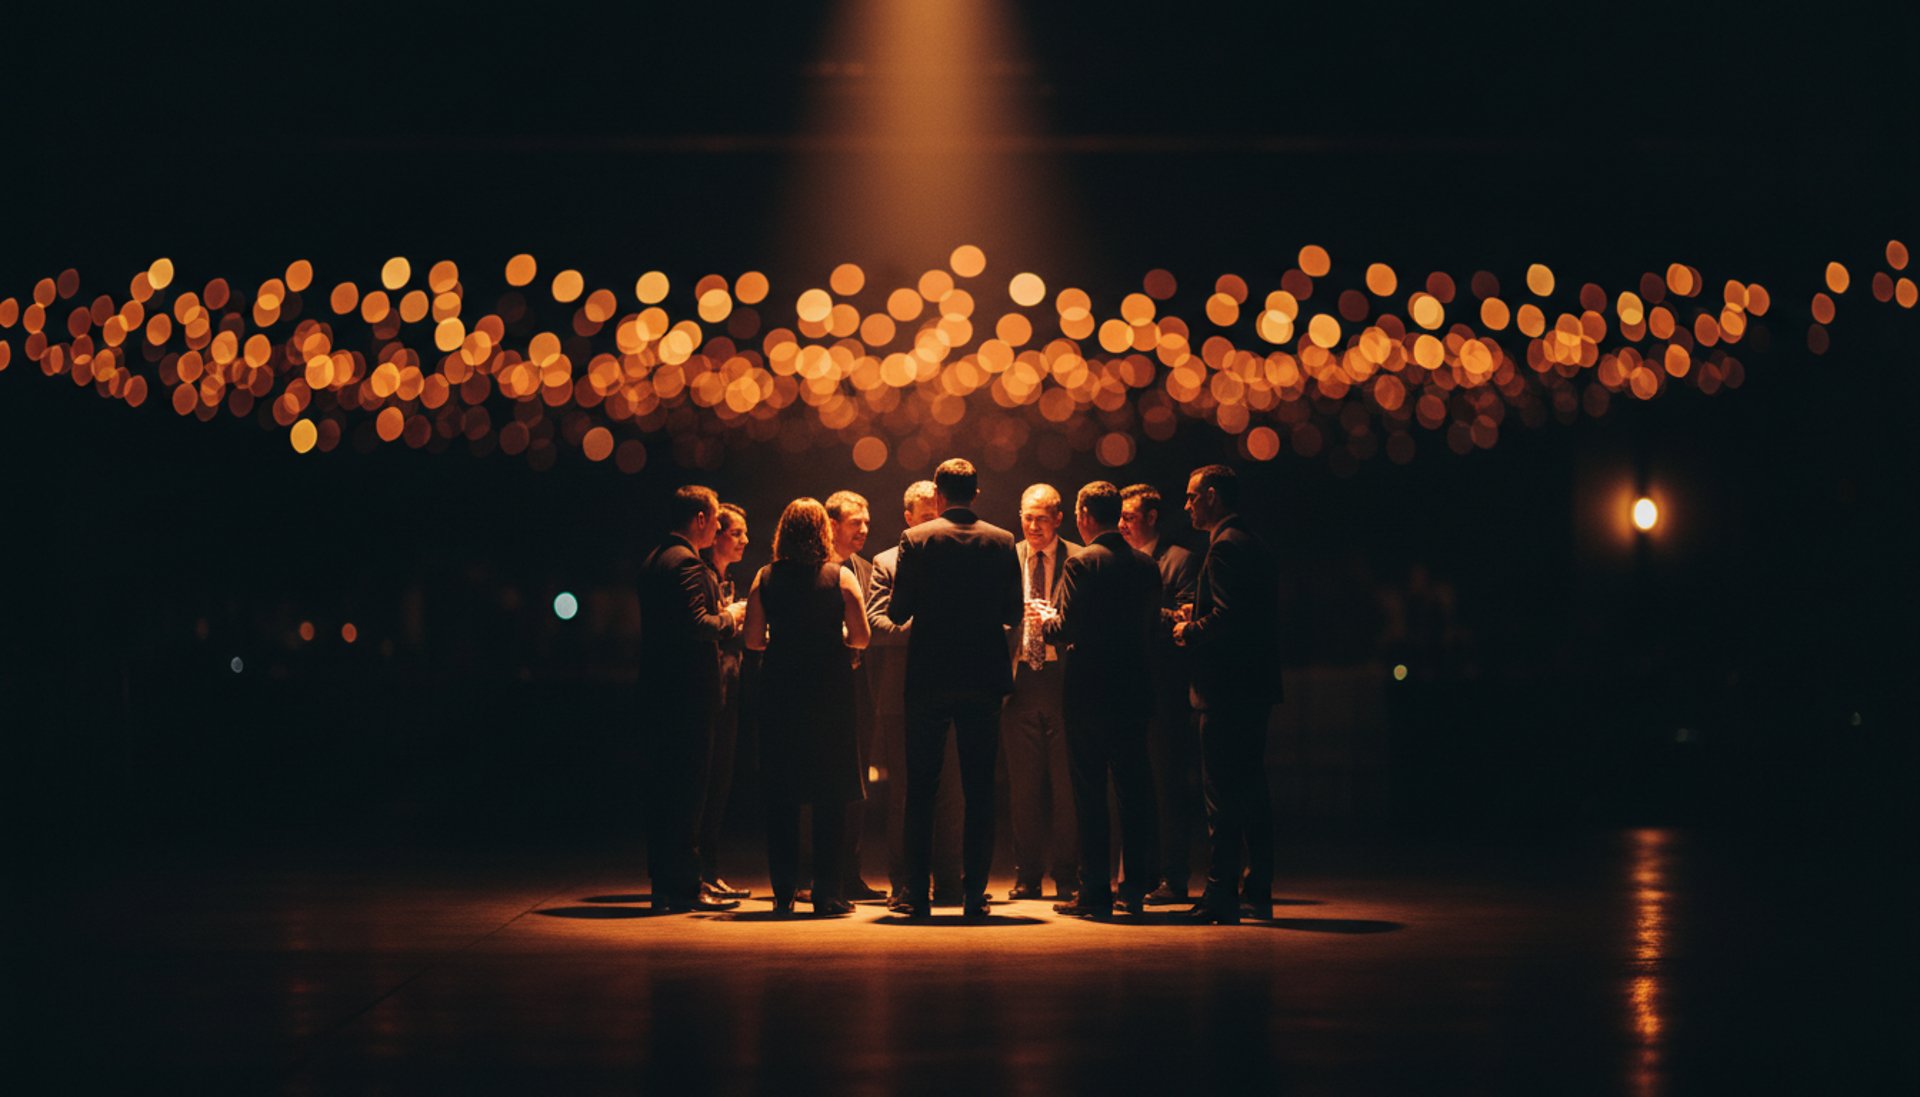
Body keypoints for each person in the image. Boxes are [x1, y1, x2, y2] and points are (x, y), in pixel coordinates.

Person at [887, 458, 1023, 920]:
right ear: (976, 494)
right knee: (980, 788)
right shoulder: (1003, 541)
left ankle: (916, 895)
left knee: (921, 788)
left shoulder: (916, 539)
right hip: (982, 675)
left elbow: (900, 612)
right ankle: (973, 894)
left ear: (939, 496)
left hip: (929, 675)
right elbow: (1012, 610)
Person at [744, 498, 871, 917]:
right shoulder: (840, 577)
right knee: (830, 792)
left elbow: (753, 640)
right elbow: (861, 637)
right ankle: (827, 893)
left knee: (782, 793)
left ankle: (782, 892)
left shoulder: (765, 577)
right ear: (823, 532)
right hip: (829, 691)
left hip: (781, 691)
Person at [1043, 482, 1162, 918]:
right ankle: (1133, 889)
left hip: (1088, 692)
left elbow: (1067, 629)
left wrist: (1046, 622)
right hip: (1133, 689)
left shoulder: (1081, 564)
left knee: (1090, 793)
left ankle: (1094, 891)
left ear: (1085, 515)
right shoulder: (1147, 566)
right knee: (1134, 793)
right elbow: (1151, 628)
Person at [1174, 465, 1282, 924]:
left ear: (1212, 497)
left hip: (1223, 691)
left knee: (1221, 796)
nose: (1187, 505)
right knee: (1252, 790)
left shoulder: (1222, 549)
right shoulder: (1253, 543)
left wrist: (1186, 629)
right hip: (1255, 688)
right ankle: (1256, 888)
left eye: (1192, 496)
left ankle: (1220, 895)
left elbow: (1226, 620)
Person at [637, 485, 746, 913]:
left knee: (668, 792)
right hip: (687, 694)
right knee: (688, 793)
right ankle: (685, 886)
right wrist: (731, 619)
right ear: (700, 519)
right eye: (717, 519)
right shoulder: (684, 561)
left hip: (662, 692)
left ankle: (667, 885)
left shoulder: (654, 559)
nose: (719, 526)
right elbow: (697, 624)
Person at [866, 481, 970, 910]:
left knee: (952, 793)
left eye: (937, 514)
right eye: (926, 517)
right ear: (908, 518)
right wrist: (922, 630)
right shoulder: (887, 561)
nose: (933, 522)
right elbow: (875, 623)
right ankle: (905, 881)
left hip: (950, 688)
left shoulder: (958, 554)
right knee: (905, 793)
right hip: (903, 694)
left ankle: (948, 880)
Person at [1119, 482, 1202, 904]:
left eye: (1129, 517)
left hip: (1163, 690)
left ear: (1151, 518)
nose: (1121, 525)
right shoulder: (1124, 561)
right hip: (1128, 688)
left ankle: (1174, 875)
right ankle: (1143, 872)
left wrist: (1148, 612)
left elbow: (1187, 619)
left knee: (1168, 785)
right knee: (1136, 786)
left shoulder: (1179, 561)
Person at [1004, 483, 1083, 901]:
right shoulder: (1006, 555)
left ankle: (1067, 873)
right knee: (1024, 785)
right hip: (1018, 680)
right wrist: (1009, 618)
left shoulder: (1078, 559)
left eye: (1041, 518)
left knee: (1067, 783)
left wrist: (1061, 620)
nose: (1033, 526)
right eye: (1027, 517)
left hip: (1063, 677)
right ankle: (1027, 874)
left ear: (1058, 518)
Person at [823, 489, 886, 903]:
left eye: (866, 522)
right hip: (823, 691)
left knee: (857, 783)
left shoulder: (867, 569)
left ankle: (850, 871)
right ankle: (825, 871)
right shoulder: (814, 569)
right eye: (854, 523)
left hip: (860, 692)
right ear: (832, 526)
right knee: (824, 783)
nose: (864, 529)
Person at [695, 503, 753, 904]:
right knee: (704, 782)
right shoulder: (699, 577)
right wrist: (733, 617)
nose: (745, 540)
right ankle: (699, 874)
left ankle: (709, 872)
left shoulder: (726, 580)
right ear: (716, 535)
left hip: (728, 688)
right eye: (736, 533)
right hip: (707, 692)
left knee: (720, 782)